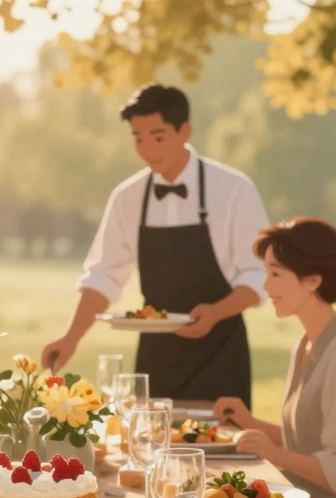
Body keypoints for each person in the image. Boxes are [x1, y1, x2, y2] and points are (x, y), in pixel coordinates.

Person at [41, 83, 270, 405]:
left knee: (223, 450)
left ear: (185, 131)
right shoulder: (127, 197)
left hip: (220, 354)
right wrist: (71, 337)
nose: (147, 149)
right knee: (149, 445)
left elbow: (259, 273)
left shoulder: (234, 190)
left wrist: (217, 312)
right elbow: (103, 275)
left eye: (158, 136)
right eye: (138, 138)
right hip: (155, 359)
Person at [212, 218, 336, 498]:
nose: (266, 287)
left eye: (276, 274)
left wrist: (272, 452)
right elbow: (310, 440)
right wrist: (248, 422)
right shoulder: (308, 343)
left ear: (313, 280)